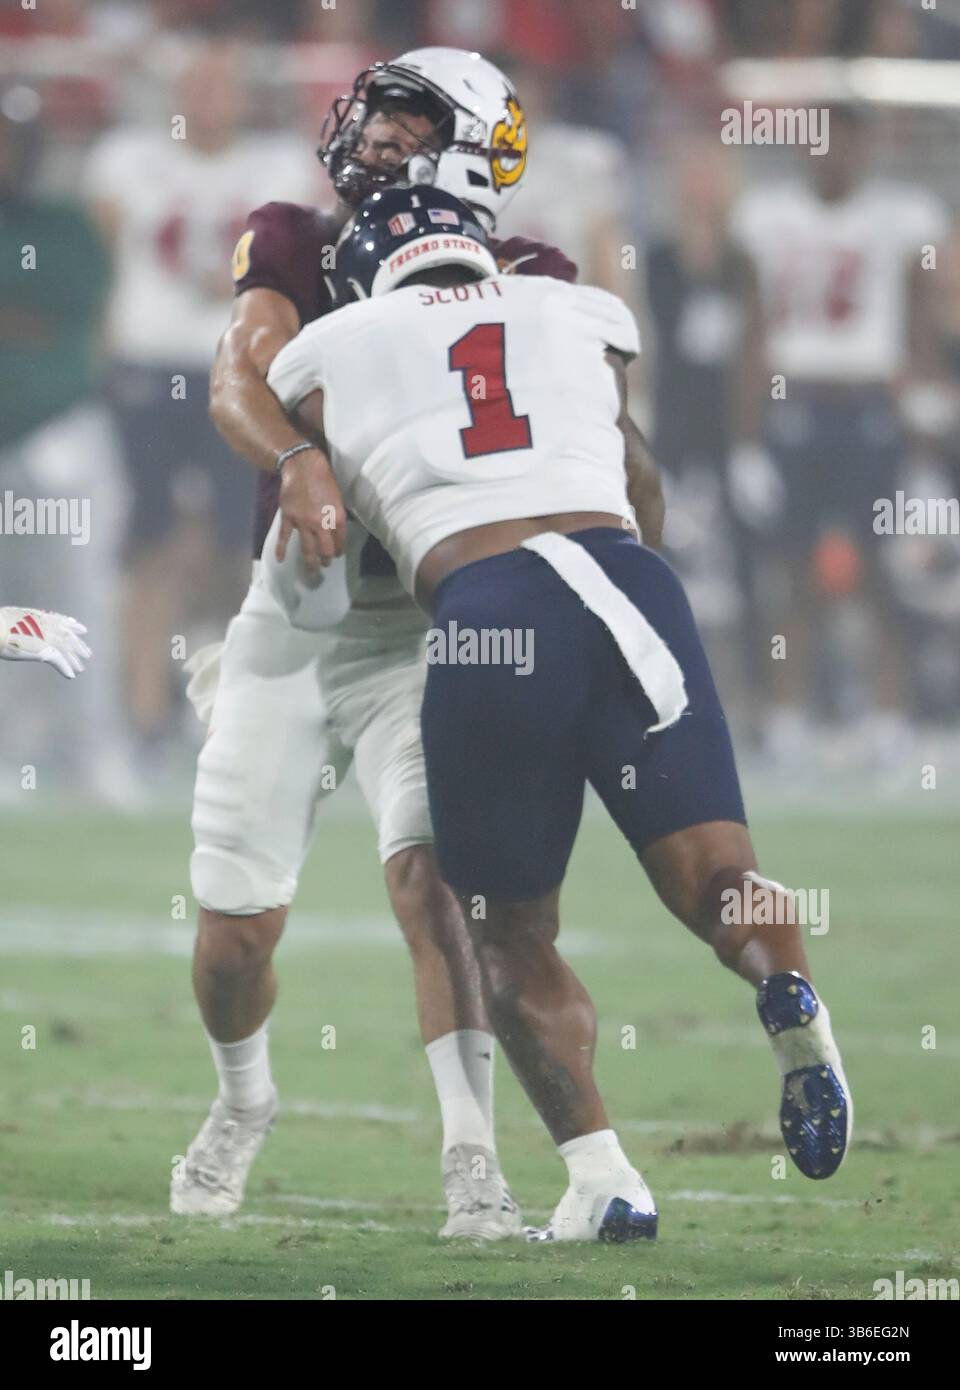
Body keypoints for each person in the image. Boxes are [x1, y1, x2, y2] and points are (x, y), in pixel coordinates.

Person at [265, 185, 853, 1243]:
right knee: (717, 873)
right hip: (630, 584)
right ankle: (787, 989)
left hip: (490, 610)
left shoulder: (333, 343)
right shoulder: (579, 310)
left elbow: (313, 521)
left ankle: (604, 1179)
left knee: (506, 935)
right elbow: (638, 469)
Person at [175, 48, 606, 1240]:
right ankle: (244, 1100)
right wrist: (298, 456)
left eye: (405, 122)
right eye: (375, 113)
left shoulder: (532, 280)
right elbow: (234, 382)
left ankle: (474, 1165)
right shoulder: (297, 243)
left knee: (439, 889)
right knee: (232, 936)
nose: (369, 136)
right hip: (295, 626)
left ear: (467, 151)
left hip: (430, 630)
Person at [86, 35, 316, 762]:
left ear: (247, 93)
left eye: (223, 83)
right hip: (145, 371)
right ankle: (143, 719)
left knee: (238, 547)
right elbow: (102, 262)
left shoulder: (280, 166)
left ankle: (225, 702)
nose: (209, 98)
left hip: (241, 374)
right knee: (148, 541)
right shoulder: (127, 160)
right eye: (198, 83)